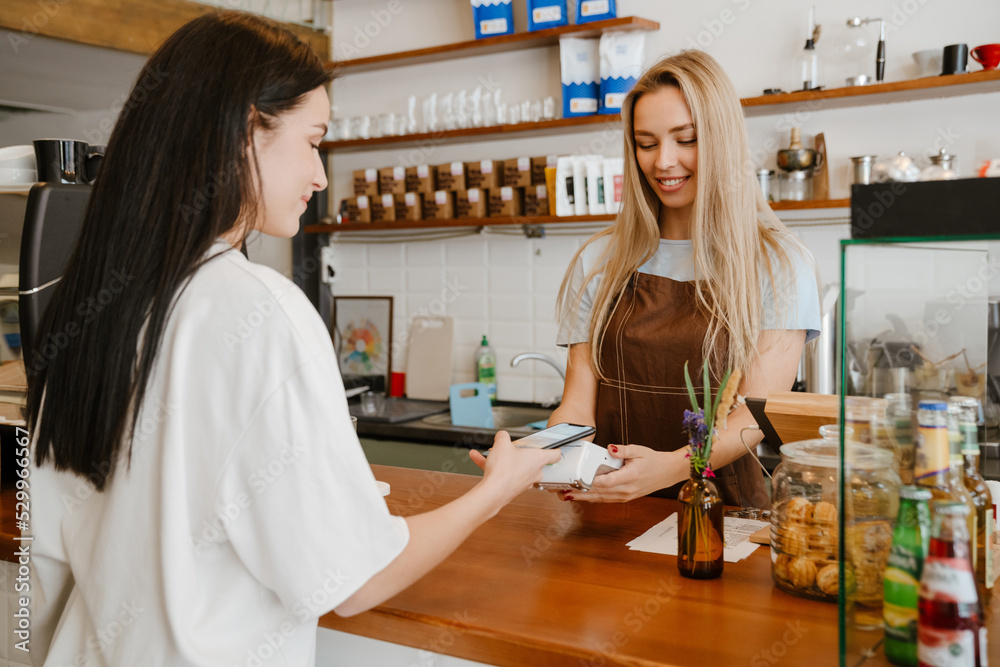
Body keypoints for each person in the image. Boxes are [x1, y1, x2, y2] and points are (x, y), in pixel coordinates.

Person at [26, 12, 559, 666]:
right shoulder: (264, 312)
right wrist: (496, 490)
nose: (320, 176)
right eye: (313, 142)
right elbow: (358, 581)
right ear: (248, 131)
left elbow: (47, 561)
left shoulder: (90, 311)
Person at [547, 50, 821, 508]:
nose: (663, 162)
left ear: (721, 140)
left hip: (725, 513)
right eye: (646, 143)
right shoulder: (599, 259)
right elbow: (577, 403)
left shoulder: (778, 262)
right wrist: (547, 453)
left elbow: (754, 413)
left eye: (686, 139)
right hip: (612, 508)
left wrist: (673, 468)